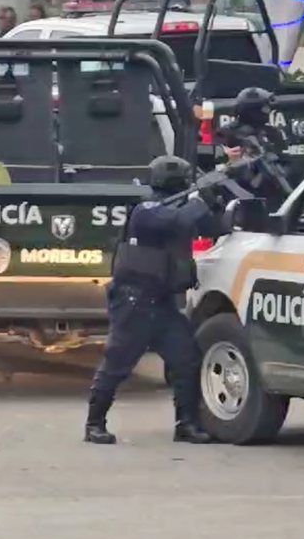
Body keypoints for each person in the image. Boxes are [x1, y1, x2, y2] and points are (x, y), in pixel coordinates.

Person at [85, 156, 223, 446]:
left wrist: (215, 199)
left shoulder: (180, 207)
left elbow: (213, 228)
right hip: (134, 301)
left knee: (186, 359)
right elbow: (177, 220)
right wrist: (200, 198)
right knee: (117, 363)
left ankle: (186, 424)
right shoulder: (146, 209)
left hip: (162, 303)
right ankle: (94, 424)